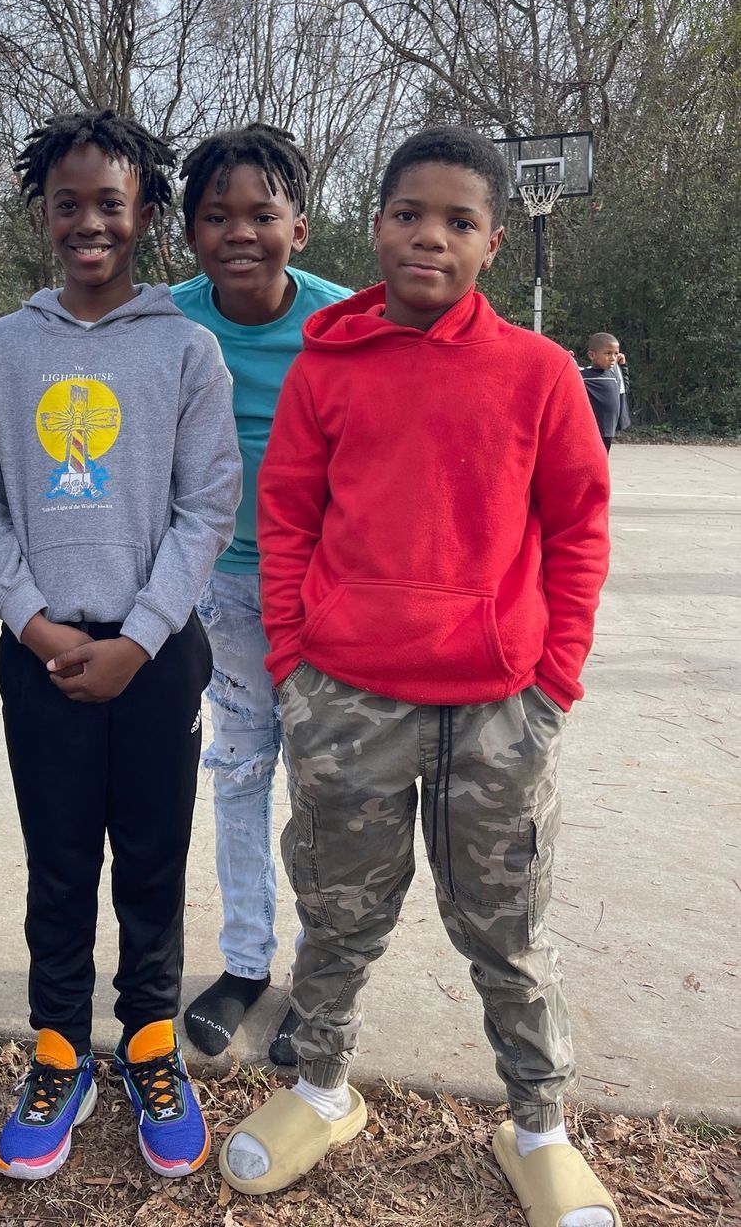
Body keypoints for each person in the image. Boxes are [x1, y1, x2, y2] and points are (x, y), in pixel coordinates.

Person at [220, 127, 620, 1227]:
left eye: (457, 221)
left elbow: (579, 529)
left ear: (494, 241)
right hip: (347, 705)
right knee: (338, 917)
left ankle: (537, 1124)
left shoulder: (540, 375)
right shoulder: (324, 368)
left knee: (507, 930)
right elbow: (288, 520)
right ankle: (321, 1089)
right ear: (376, 225)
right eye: (408, 215)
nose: (428, 237)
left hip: (498, 711)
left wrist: (553, 686)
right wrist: (297, 670)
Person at [0, 109, 241, 1183]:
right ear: (43, 213)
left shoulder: (186, 348)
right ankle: (56, 1048)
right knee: (59, 856)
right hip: (39, 652)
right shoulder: (1, 347)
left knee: (154, 859)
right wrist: (32, 620)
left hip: (155, 655)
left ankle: (149, 1041)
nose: (88, 223)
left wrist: (137, 636)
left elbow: (207, 506)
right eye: (67, 203)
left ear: (146, 218)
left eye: (110, 205)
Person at [170, 124, 351, 1065]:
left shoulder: (345, 324)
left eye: (262, 213)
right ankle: (245, 963)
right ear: (191, 232)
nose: (240, 231)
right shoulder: (164, 320)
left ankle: (321, 992)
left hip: (325, 595)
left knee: (328, 792)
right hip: (216, 595)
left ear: (301, 228)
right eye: (216, 215)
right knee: (239, 775)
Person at [581, 332, 631, 453]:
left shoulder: (614, 373)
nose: (613, 357)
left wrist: (623, 366)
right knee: (591, 458)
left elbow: (624, 388)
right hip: (590, 429)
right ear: (592, 355)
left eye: (616, 353)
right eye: (608, 353)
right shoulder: (583, 375)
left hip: (608, 429)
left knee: (603, 458)